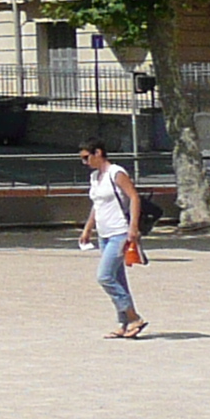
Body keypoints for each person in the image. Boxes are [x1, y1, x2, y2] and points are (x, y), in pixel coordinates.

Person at [76, 138, 147, 338]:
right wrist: (88, 229)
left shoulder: (116, 173)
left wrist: (133, 228)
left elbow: (134, 197)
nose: (85, 162)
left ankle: (134, 317)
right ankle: (123, 323)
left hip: (120, 232)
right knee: (118, 278)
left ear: (98, 153)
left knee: (105, 276)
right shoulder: (95, 177)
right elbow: (97, 205)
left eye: (86, 157)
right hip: (104, 234)